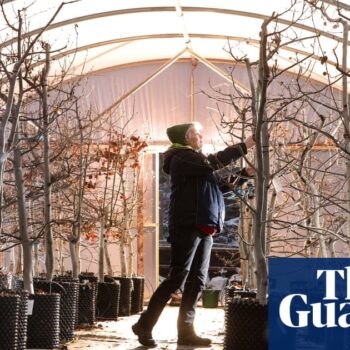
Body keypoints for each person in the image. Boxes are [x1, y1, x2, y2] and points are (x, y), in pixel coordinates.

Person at [132, 121, 255, 347]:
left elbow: (219, 185)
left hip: (205, 226)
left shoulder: (197, 163)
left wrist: (244, 174)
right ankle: (144, 325)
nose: (201, 137)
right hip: (188, 225)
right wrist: (245, 146)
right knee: (178, 277)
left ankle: (186, 331)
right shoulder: (180, 158)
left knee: (197, 280)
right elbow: (213, 162)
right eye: (198, 134)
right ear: (186, 138)